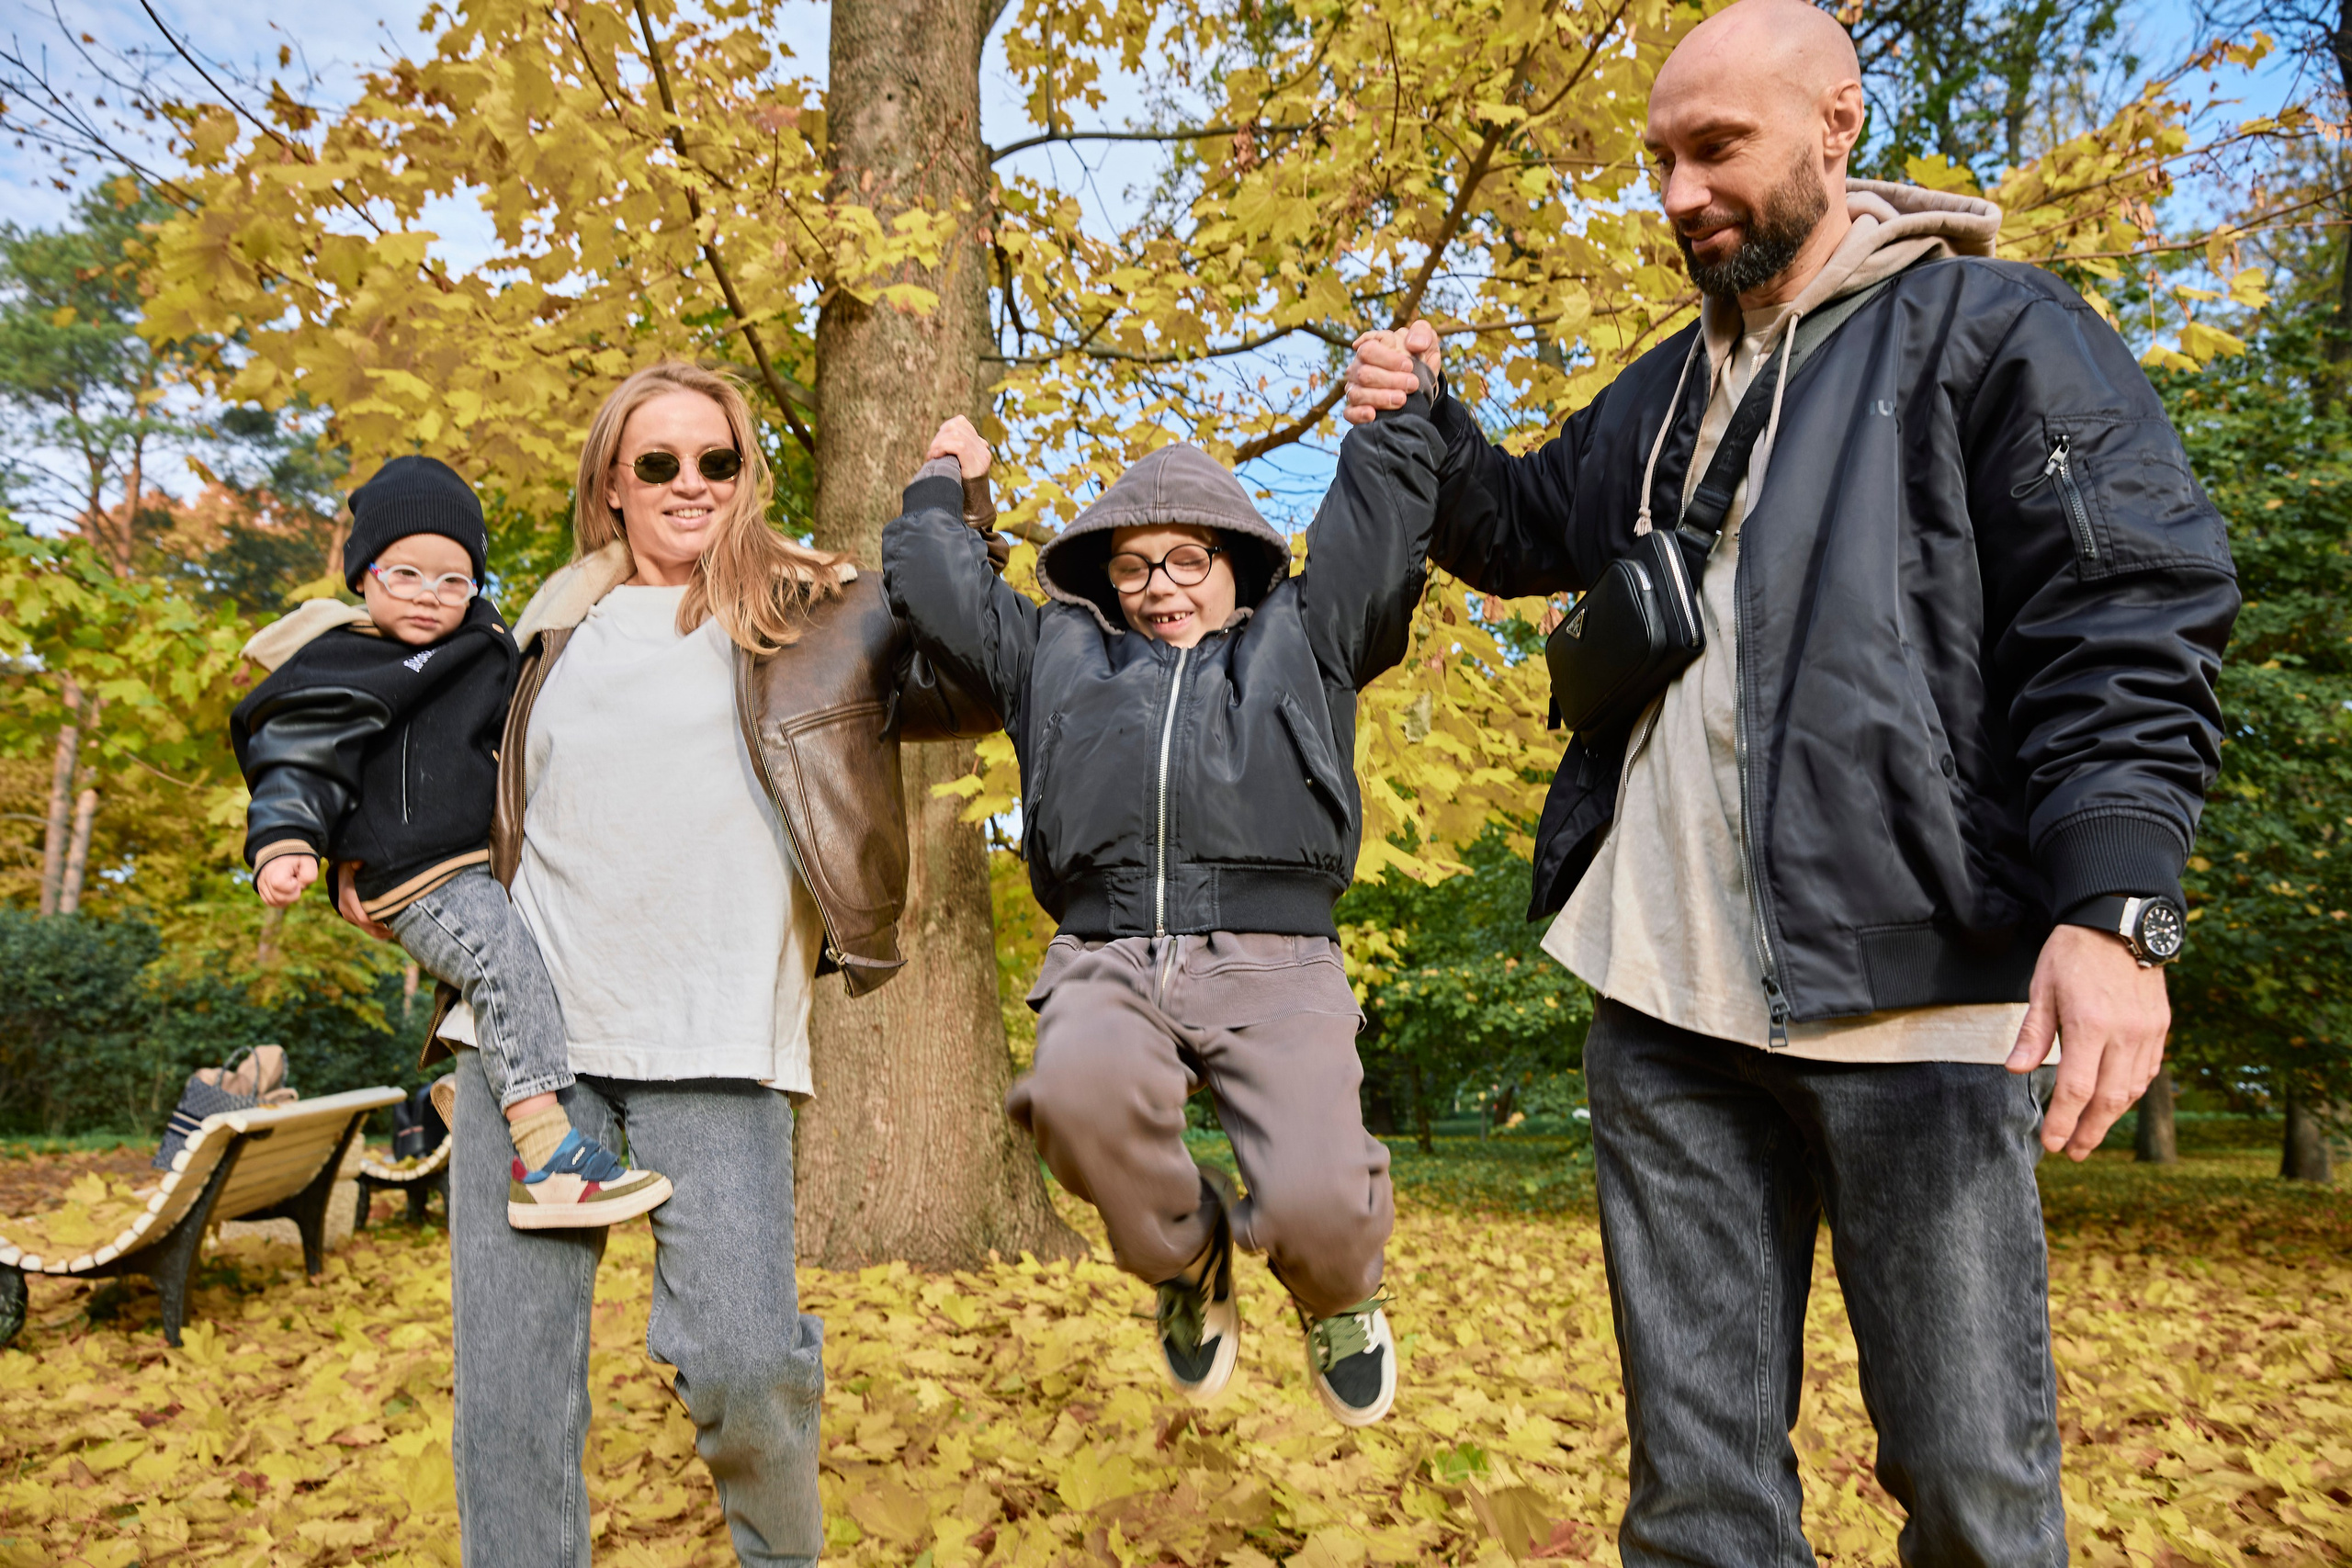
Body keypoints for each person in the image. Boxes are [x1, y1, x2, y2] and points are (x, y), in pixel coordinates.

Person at [1344, 0, 2235, 1560]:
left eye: (1717, 148)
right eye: (1659, 161)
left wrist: (2113, 904)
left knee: (1973, 1492)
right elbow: (1509, 525)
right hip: (1664, 1008)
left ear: (1837, 125)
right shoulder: (1662, 394)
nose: (1680, 192)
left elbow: (2125, 612)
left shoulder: (1999, 332)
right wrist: (1426, 422)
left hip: (1922, 1002)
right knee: (1698, 1509)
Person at [341, 362, 990, 1567]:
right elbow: (404, 757)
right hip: (529, 1045)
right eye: (659, 463)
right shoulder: (528, 635)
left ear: (747, 475)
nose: (690, 483)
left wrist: (953, 510)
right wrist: (362, 857)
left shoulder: (821, 608)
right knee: (513, 1391)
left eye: (717, 459)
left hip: (720, 1035)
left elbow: (972, 678)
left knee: (746, 1355)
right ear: (613, 485)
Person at [882, 383, 1442, 1427]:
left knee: (1321, 1198)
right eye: (1134, 566)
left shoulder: (1308, 635)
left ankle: (1336, 1296)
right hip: (1106, 944)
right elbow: (933, 583)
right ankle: (1188, 1266)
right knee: (1073, 1100)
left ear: (1237, 565)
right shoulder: (1055, 654)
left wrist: (1397, 416)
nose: (1160, 588)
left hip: (1272, 953)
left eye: (1189, 560)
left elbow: (1378, 534)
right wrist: (946, 484)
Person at [232, 456, 671, 1230]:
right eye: (405, 574)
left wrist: (618, 556)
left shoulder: (480, 640)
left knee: (536, 965)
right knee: (502, 961)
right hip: (413, 870)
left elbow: (548, 619)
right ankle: (549, 1158)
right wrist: (289, 842)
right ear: (363, 575)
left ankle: (480, 1097)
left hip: (477, 863)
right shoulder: (343, 661)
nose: (429, 598)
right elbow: (298, 754)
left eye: (452, 580)